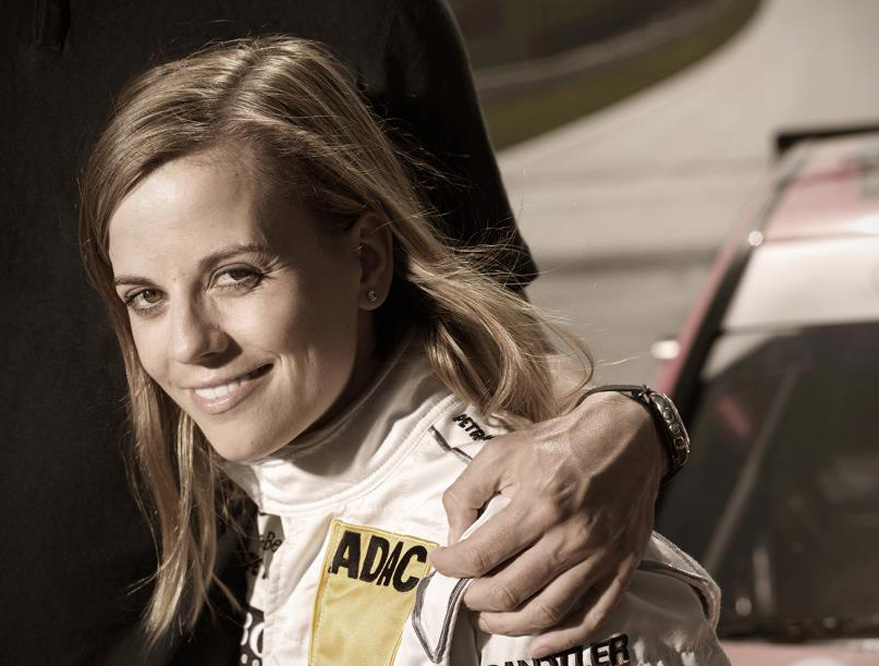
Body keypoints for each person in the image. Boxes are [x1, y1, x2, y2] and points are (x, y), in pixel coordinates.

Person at [77, 36, 728, 665]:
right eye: (146, 297)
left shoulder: (519, 541)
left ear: (366, 262)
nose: (189, 343)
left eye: (236, 275)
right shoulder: (270, 484)